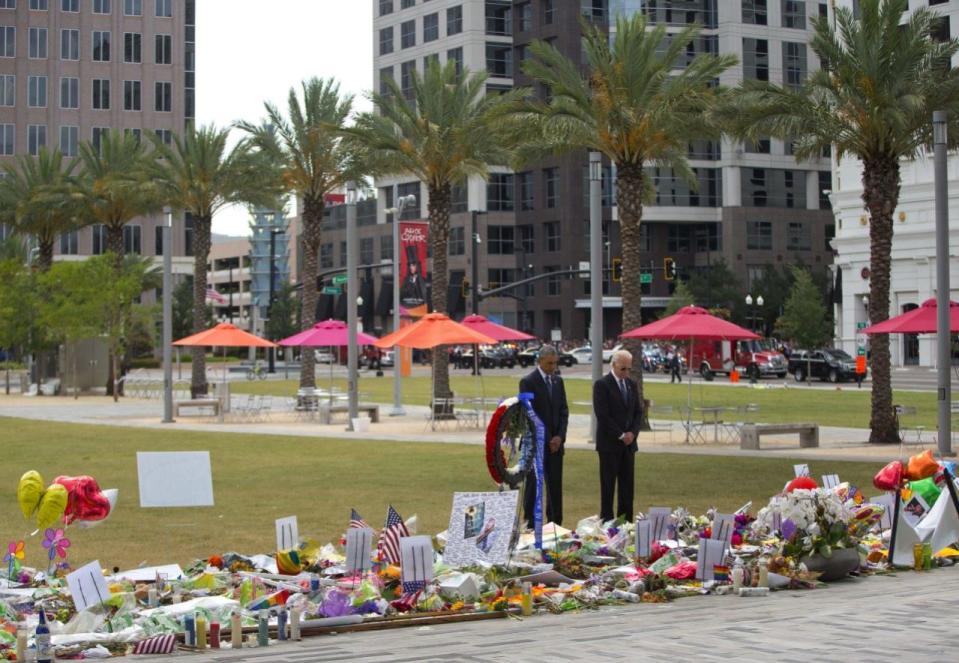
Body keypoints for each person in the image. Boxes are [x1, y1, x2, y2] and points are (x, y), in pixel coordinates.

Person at [519, 345, 569, 529]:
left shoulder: (558, 382)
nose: (553, 367)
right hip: (537, 444)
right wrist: (547, 438)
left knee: (555, 486)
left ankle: (555, 524)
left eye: (555, 363)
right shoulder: (527, 382)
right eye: (549, 363)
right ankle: (531, 523)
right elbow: (529, 414)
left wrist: (559, 437)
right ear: (540, 361)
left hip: (556, 445)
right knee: (534, 485)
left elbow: (564, 411)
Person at [592, 349, 642, 522]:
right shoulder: (602, 385)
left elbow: (638, 413)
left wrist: (632, 434)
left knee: (627, 488)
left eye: (629, 369)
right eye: (623, 369)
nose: (626, 373)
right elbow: (603, 415)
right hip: (609, 444)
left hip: (628, 446)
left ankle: (625, 523)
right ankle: (606, 522)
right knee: (608, 487)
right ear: (613, 365)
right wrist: (621, 435)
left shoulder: (631, 384)